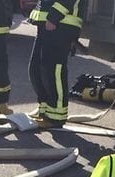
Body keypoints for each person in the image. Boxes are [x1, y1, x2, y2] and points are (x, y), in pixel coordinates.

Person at [27, 0, 83, 128]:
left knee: (53, 71)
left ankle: (56, 116)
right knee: (36, 69)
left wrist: (54, 16)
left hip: (60, 23)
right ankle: (45, 110)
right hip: (48, 22)